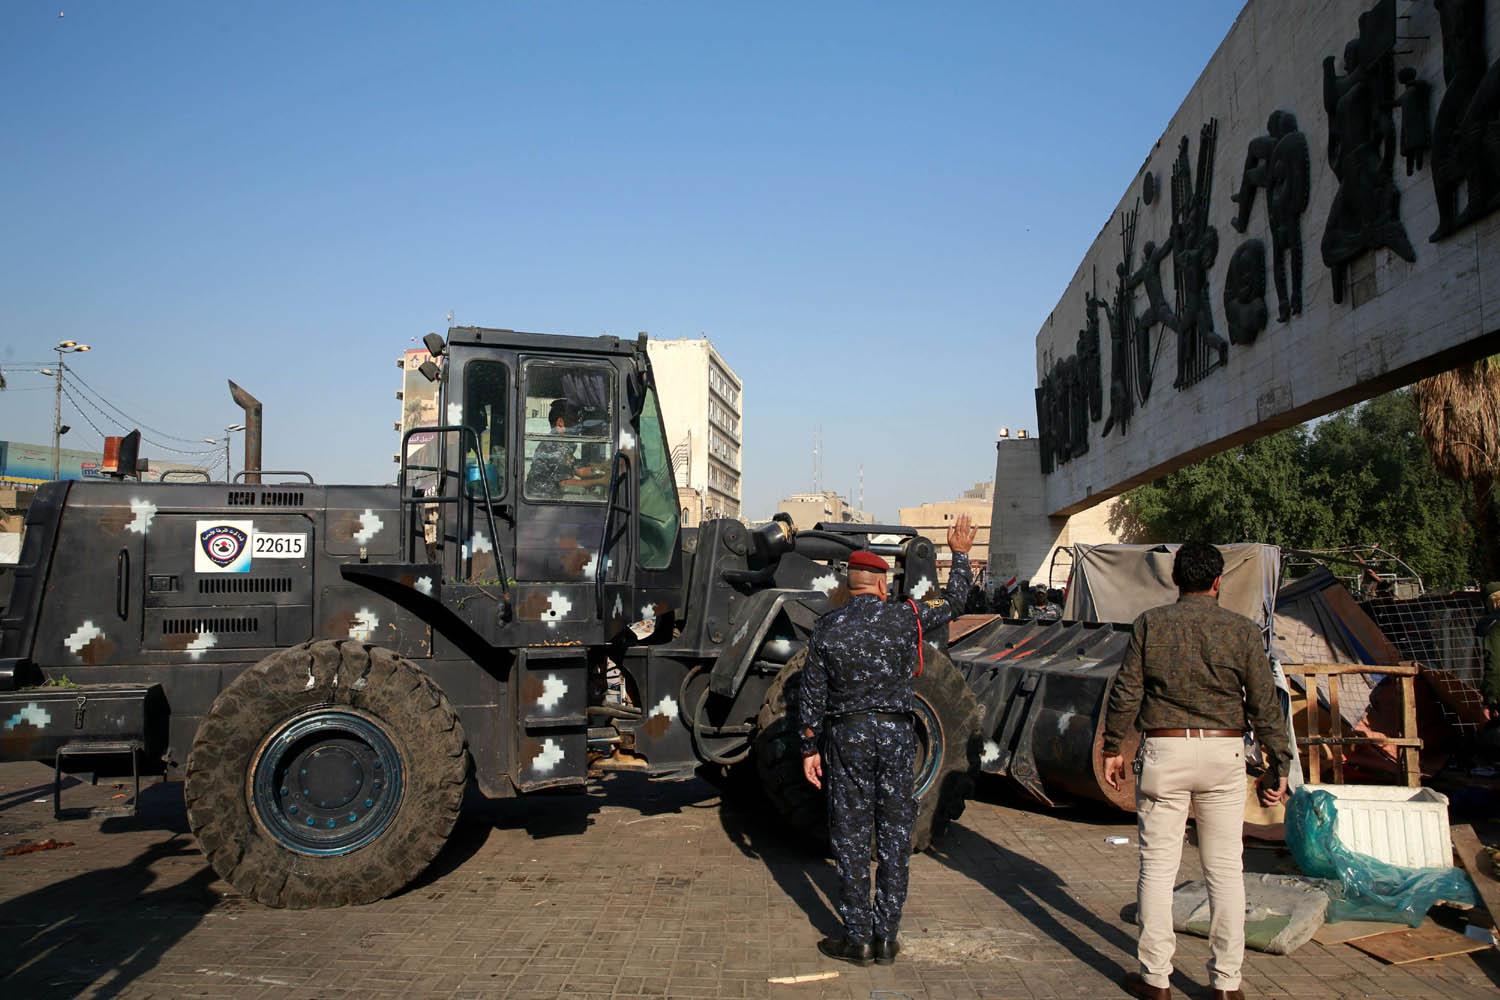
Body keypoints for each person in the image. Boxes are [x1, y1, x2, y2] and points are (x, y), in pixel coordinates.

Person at [1100, 542, 1292, 1000]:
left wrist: (1112, 747)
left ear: (1175, 580)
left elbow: (1127, 689)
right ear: (1218, 581)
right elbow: (1265, 703)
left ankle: (1155, 979)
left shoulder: (1151, 624)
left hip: (1165, 751)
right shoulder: (1242, 631)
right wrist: (1278, 763)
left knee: (1157, 867)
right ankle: (1227, 983)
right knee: (1225, 870)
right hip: (1223, 754)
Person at [798, 514, 978, 967]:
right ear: (882, 584)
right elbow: (955, 601)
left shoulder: (827, 628)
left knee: (851, 835)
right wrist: (958, 554)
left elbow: (811, 696)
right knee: (897, 834)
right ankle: (886, 937)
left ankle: (856, 936)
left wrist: (807, 748)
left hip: (847, 737)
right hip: (897, 734)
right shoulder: (906, 617)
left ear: (849, 583)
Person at [526, 398, 602, 499]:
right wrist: (600, 482)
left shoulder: (561, 445)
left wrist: (603, 469)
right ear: (560, 423)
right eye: (575, 421)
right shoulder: (554, 447)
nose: (579, 427)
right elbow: (565, 483)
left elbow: (581, 470)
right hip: (542, 503)